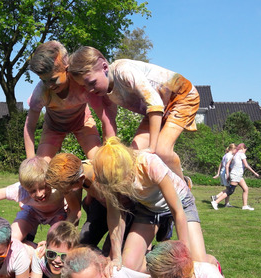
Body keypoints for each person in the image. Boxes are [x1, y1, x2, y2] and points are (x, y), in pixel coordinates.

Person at [68, 46, 199, 186]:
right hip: (156, 110)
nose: (90, 89)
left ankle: (184, 189)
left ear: (105, 67)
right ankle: (161, 190)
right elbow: (110, 122)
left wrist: (152, 147)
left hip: (182, 96)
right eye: (84, 86)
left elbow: (154, 103)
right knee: (134, 155)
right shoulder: (107, 92)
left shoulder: (124, 71)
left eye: (92, 83)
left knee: (162, 150)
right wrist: (109, 152)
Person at [92, 136, 208, 273]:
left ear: (126, 169)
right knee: (128, 266)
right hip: (149, 209)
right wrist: (116, 257)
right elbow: (114, 217)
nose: (118, 188)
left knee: (197, 263)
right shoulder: (108, 174)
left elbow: (177, 211)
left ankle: (211, 263)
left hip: (182, 204)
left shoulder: (148, 163)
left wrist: (184, 251)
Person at [25, 41, 115, 161]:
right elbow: (29, 126)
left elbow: (105, 119)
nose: (49, 85)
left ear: (67, 69)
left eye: (53, 79)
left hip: (83, 123)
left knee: (98, 162)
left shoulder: (82, 85)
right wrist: (31, 161)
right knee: (41, 168)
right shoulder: (41, 92)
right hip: (53, 127)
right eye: (44, 80)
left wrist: (109, 151)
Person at [0, 156, 81, 242]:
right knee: (12, 240)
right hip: (32, 213)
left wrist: (62, 230)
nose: (40, 194)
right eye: (32, 191)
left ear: (49, 180)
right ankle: (29, 248)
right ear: (24, 187)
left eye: (43, 187)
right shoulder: (19, 190)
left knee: (56, 243)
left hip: (58, 214)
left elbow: (76, 211)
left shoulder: (58, 186)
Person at [211, 143, 260, 211]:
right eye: (245, 150)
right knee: (230, 190)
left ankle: (245, 206)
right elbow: (246, 165)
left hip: (238, 175)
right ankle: (215, 202)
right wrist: (254, 173)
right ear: (243, 148)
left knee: (245, 189)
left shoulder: (234, 154)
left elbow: (228, 165)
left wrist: (228, 174)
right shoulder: (242, 154)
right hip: (236, 175)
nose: (245, 151)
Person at [211, 144, 236, 208]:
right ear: (232, 149)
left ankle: (226, 203)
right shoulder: (230, 156)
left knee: (228, 188)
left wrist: (218, 173)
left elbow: (221, 164)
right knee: (229, 189)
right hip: (225, 173)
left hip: (222, 172)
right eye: (235, 149)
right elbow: (227, 166)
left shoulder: (225, 155)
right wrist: (228, 175)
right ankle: (216, 197)